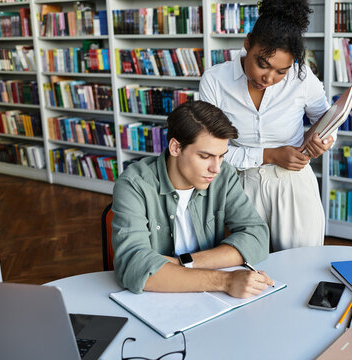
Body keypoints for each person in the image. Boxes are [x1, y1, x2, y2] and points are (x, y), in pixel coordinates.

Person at [199, 0, 333, 251]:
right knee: (249, 268)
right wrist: (269, 155)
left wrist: (323, 139)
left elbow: (326, 119)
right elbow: (208, 150)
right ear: (247, 43)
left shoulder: (302, 78)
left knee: (302, 265)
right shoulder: (215, 81)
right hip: (241, 187)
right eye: (262, 64)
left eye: (281, 71)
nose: (269, 78)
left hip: (294, 187)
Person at [111, 100, 273, 297]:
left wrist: (185, 262)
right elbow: (133, 264)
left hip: (209, 296)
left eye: (221, 156)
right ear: (175, 148)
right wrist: (226, 281)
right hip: (156, 298)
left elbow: (257, 236)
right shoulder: (133, 184)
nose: (216, 168)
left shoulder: (224, 176)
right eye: (205, 156)